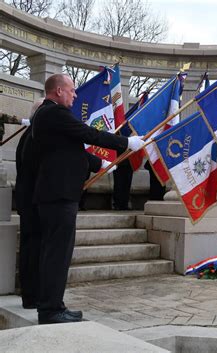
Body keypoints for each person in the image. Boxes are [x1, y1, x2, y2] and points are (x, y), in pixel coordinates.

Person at [32, 74, 145, 324]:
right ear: (59, 91)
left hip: (57, 194)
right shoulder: (53, 113)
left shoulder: (50, 116)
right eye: (72, 90)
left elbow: (71, 149)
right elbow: (88, 134)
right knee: (57, 254)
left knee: (57, 253)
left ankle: (54, 304)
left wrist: (101, 163)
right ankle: (50, 310)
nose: (75, 95)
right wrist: (127, 142)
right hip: (58, 195)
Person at [15, 98, 44, 309]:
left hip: (29, 199)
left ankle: (31, 294)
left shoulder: (29, 134)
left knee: (31, 247)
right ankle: (32, 295)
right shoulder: (34, 135)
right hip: (34, 200)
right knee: (33, 248)